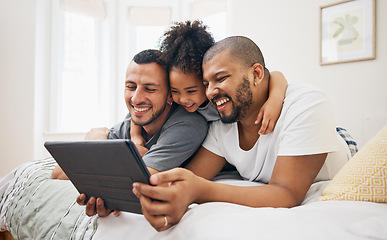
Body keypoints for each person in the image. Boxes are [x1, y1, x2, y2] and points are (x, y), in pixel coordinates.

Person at [132, 36, 351, 231]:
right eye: (206, 84)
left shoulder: (306, 104)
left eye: (221, 78)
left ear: (256, 74)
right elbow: (191, 178)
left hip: (343, 147)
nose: (209, 92)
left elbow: (287, 194)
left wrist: (200, 190)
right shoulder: (220, 126)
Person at [52, 49, 208, 216]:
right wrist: (96, 138)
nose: (135, 98)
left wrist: (97, 153)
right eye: (131, 87)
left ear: (171, 95)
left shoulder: (188, 125)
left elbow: (138, 184)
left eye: (149, 89)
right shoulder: (130, 123)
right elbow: (58, 173)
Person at [130, 21, 288, 148]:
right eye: (175, 91)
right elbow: (137, 111)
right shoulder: (175, 103)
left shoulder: (219, 96)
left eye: (191, 91)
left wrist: (275, 99)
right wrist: (135, 136)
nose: (183, 99)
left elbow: (275, 75)